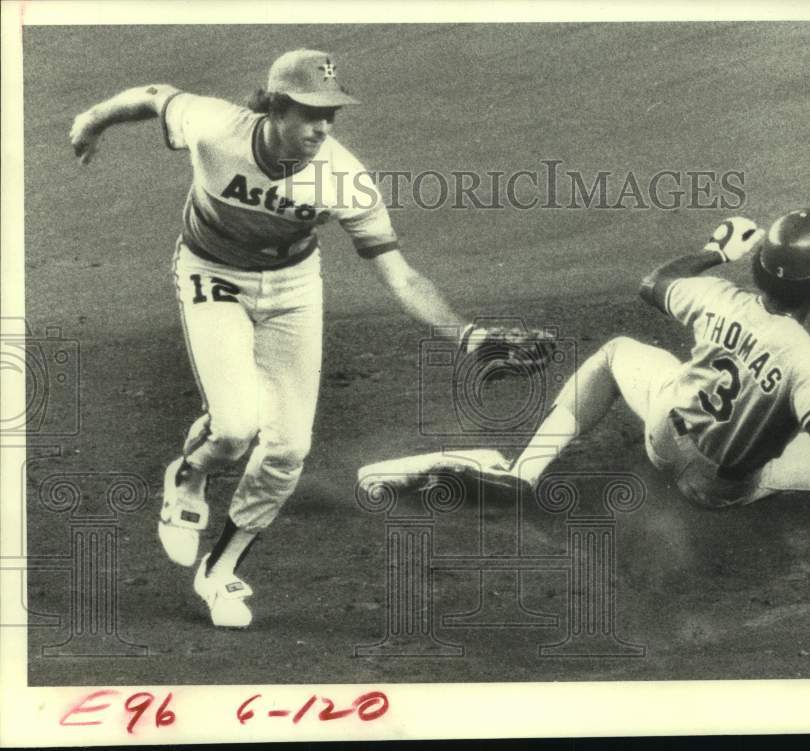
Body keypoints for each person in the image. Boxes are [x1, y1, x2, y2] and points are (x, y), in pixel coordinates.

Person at [68, 49, 529, 628]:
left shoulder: (344, 179)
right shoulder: (216, 127)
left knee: (287, 449)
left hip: (293, 289)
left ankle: (221, 570)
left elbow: (401, 275)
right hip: (212, 274)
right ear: (274, 106)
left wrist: (467, 334)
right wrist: (91, 121)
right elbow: (154, 94)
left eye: (331, 114)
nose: (323, 127)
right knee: (235, 428)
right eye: (310, 112)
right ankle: (188, 474)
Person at [427, 210, 810, 556]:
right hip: (716, 490)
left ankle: (524, 471)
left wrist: (716, 250)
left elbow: (655, 282)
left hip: (663, 436)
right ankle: (796, 534)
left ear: (757, 266)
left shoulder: (716, 296)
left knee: (617, 352)